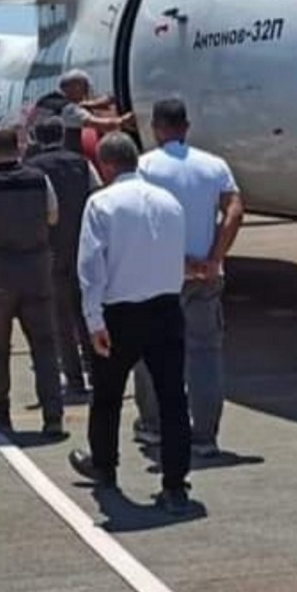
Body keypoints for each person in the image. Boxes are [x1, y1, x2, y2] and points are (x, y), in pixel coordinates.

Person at [69, 133, 193, 513]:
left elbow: (90, 267)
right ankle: (174, 483)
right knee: (172, 399)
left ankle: (105, 467)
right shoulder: (170, 202)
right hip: (167, 308)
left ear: (105, 165)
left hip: (120, 312)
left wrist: (93, 320)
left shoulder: (101, 203)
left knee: (106, 397)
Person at [132, 98, 244, 460]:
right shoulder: (215, 166)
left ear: (156, 127)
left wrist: (176, 260)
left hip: (159, 276)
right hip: (207, 277)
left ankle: (153, 426)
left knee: (152, 353)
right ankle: (205, 435)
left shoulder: (144, 166)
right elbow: (234, 211)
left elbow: (140, 220)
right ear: (187, 126)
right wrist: (214, 258)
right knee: (205, 354)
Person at [0, 123, 66, 439]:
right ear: (18, 147)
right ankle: (53, 416)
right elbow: (53, 216)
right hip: (35, 271)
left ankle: (0, 408)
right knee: (44, 346)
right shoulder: (39, 180)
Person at [23, 113, 99, 399]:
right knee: (87, 312)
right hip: (82, 245)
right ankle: (96, 370)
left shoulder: (30, 168)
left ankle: (75, 379)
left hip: (50, 250)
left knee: (61, 318)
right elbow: (97, 193)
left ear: (36, 139)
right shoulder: (81, 162)